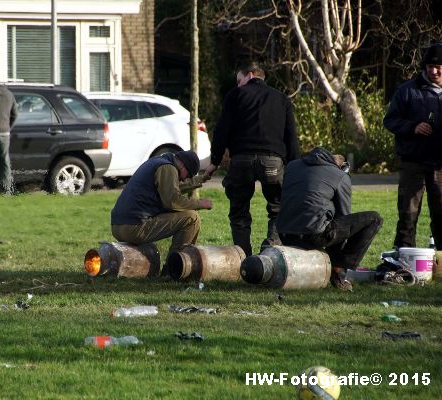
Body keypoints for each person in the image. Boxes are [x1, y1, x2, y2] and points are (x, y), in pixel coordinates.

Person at [204, 61, 300, 256]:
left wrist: (214, 161)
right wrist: (294, 165)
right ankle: (270, 248)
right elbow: (291, 135)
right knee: (279, 207)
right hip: (273, 161)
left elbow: (222, 129)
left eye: (239, 80)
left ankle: (242, 254)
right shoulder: (282, 98)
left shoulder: (235, 95)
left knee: (239, 210)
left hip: (241, 160)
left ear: (249, 75)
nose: (238, 84)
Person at [276, 147, 383, 291]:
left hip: (284, 233)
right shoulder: (340, 176)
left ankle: (331, 266)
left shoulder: (292, 166)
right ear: (342, 166)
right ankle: (338, 269)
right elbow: (344, 215)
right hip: (312, 235)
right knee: (374, 219)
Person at [383, 42, 442, 250]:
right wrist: (413, 127)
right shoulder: (407, 90)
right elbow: (389, 120)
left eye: (439, 67)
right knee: (407, 215)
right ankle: (403, 259)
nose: (434, 71)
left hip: (440, 165)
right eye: (430, 67)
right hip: (412, 162)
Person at [111, 150, 213, 262]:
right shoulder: (168, 168)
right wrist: (199, 203)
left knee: (189, 215)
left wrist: (202, 178)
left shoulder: (158, 162)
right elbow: (172, 201)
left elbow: (173, 187)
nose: (185, 179)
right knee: (192, 218)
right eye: (188, 175)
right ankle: (175, 267)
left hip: (118, 226)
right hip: (134, 228)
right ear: (183, 165)